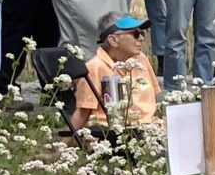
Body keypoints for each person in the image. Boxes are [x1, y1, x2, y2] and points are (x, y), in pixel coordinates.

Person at [67, 13, 162, 142]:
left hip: (151, 128)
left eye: (142, 33)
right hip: (115, 134)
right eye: (135, 34)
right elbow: (83, 112)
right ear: (113, 40)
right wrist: (62, 147)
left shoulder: (142, 59)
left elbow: (157, 97)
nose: (141, 38)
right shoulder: (94, 67)